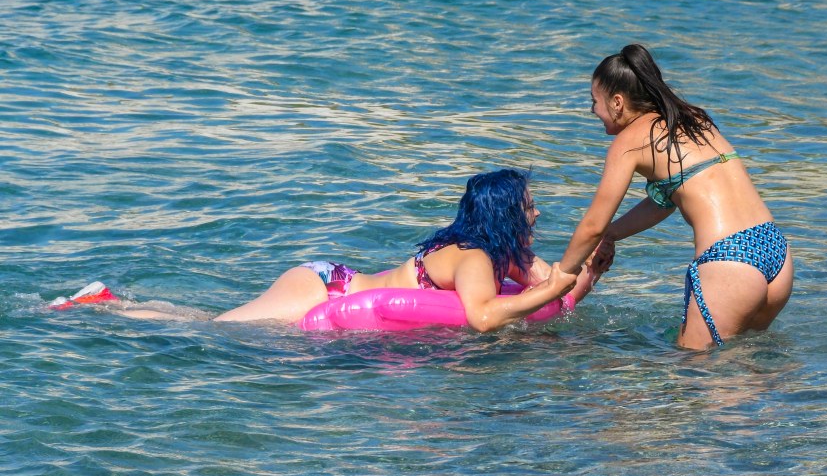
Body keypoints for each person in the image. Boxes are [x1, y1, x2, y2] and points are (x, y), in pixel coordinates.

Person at [120, 169, 595, 332]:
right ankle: (109, 308)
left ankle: (127, 308)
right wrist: (554, 287)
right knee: (216, 329)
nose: (536, 216)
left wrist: (588, 270)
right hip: (328, 289)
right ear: (506, 215)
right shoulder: (475, 258)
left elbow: (551, 282)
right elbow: (484, 318)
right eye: (529, 208)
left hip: (338, 282)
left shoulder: (500, 252)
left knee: (216, 322)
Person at [558, 44, 793, 350]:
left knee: (695, 379)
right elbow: (663, 201)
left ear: (617, 102)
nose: (594, 111)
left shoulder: (628, 142)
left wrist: (561, 276)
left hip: (730, 258)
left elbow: (592, 225)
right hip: (774, 249)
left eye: (594, 102)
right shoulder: (692, 118)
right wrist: (613, 235)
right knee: (749, 377)